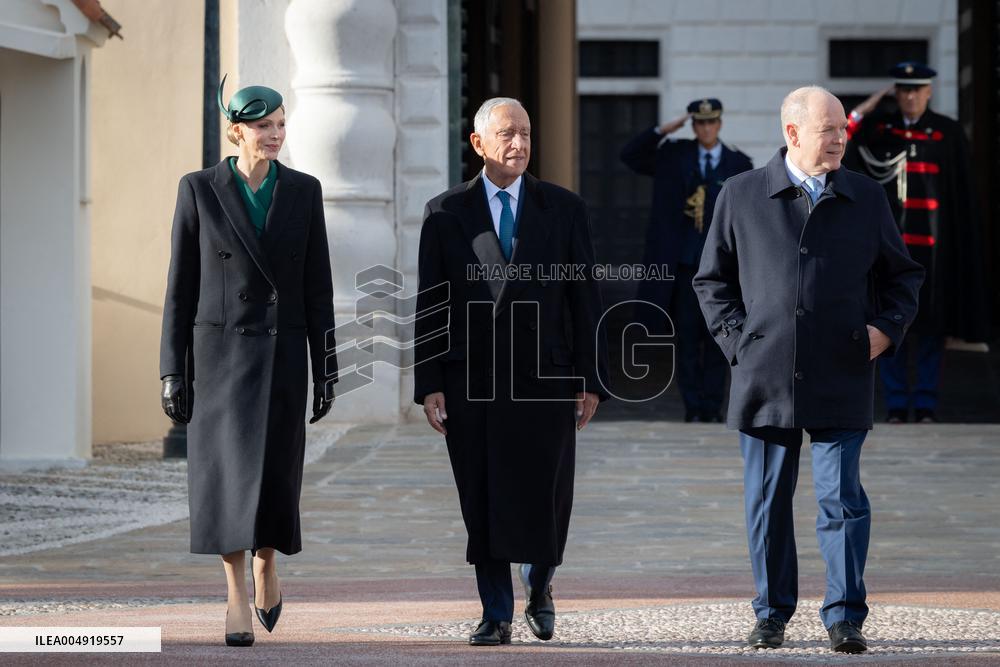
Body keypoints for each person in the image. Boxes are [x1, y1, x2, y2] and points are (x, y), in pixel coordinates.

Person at [693, 86, 923, 654]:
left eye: (843, 129)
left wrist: (886, 329)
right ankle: (771, 613)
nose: (841, 139)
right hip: (763, 373)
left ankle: (845, 615)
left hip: (842, 368)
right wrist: (737, 343)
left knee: (841, 499)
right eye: (829, 130)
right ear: (793, 133)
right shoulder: (741, 194)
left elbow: (903, 276)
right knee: (767, 502)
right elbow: (711, 281)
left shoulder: (866, 199)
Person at [413, 97, 609, 646]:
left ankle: (540, 584)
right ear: (479, 144)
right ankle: (496, 612)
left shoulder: (563, 209)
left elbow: (584, 300)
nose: (519, 144)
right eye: (506, 134)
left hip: (546, 377)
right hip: (471, 381)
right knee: (483, 495)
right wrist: (428, 382)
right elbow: (431, 303)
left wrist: (592, 379)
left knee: (546, 494)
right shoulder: (446, 212)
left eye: (525, 133)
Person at [159, 76, 338, 647]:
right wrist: (171, 369)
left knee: (276, 473)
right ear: (236, 130)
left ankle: (267, 560)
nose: (276, 135)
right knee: (225, 478)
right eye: (265, 126)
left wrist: (326, 366)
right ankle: (235, 589)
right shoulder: (199, 189)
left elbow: (318, 288)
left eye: (282, 124)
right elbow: (179, 290)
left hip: (283, 351)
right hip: (219, 357)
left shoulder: (304, 191)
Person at [844, 61, 989, 423]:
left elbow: (962, 197)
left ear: (928, 91)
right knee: (892, 323)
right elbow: (845, 134)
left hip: (935, 252)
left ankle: (924, 402)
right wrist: (872, 103)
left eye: (916, 89)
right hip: (891, 251)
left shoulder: (948, 132)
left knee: (931, 328)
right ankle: (895, 403)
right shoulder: (881, 130)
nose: (910, 96)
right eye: (903, 90)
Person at [621, 99, 752, 422]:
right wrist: (664, 130)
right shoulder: (673, 154)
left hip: (723, 268)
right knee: (687, 337)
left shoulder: (739, 163)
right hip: (683, 265)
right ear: (693, 126)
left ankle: (713, 406)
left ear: (719, 124)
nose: (706, 128)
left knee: (721, 335)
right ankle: (693, 407)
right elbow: (630, 156)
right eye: (699, 123)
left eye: (711, 123)